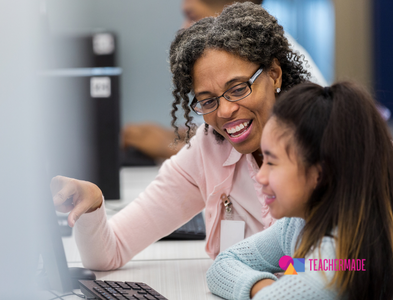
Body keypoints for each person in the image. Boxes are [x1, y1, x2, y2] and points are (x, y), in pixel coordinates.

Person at [51, 2, 310, 270]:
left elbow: (351, 265)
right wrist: (92, 204)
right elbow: (108, 253)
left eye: (238, 88)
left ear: (275, 74)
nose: (225, 111)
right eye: (207, 101)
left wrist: (249, 281)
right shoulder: (209, 148)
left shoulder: (322, 144)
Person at [206, 81, 393, 300]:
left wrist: (282, 284)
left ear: (319, 174)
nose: (260, 176)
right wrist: (282, 276)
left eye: (273, 163)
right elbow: (223, 264)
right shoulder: (298, 224)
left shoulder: (331, 269)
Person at [122, 0, 327, 160]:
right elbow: (213, 133)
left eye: (191, 15)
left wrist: (166, 146)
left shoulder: (283, 68)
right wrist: (168, 138)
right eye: (208, 100)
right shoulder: (225, 71)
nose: (183, 28)